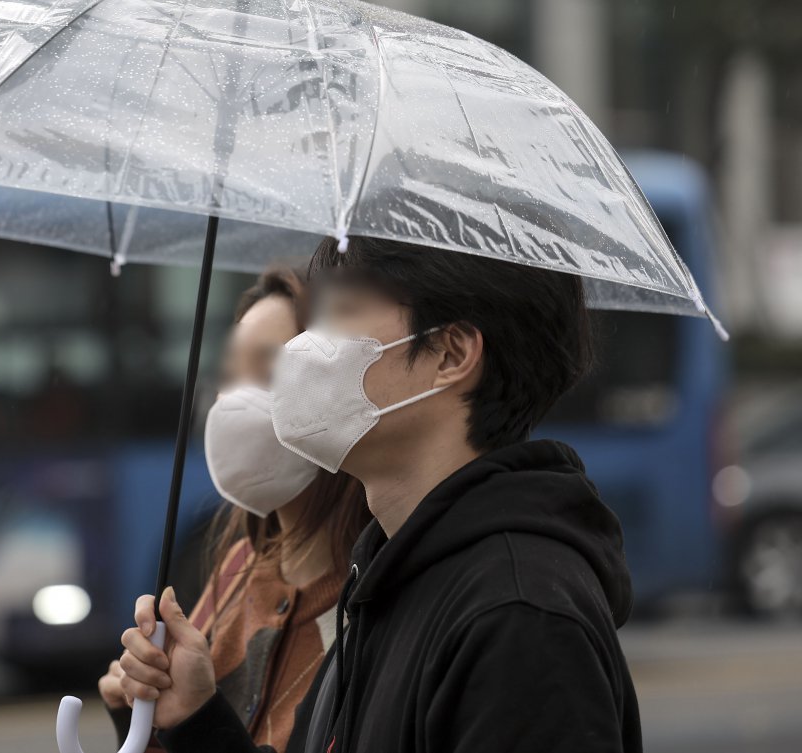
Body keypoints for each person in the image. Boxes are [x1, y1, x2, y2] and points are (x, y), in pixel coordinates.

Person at [116, 238, 643, 753]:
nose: (304, 352)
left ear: (452, 353)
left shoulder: (521, 620)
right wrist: (198, 722)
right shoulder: (385, 579)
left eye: (343, 312)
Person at [98, 265, 371, 752]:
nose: (235, 400)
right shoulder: (238, 569)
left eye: (267, 372)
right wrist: (136, 716)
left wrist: (198, 720)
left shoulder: (372, 606)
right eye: (228, 374)